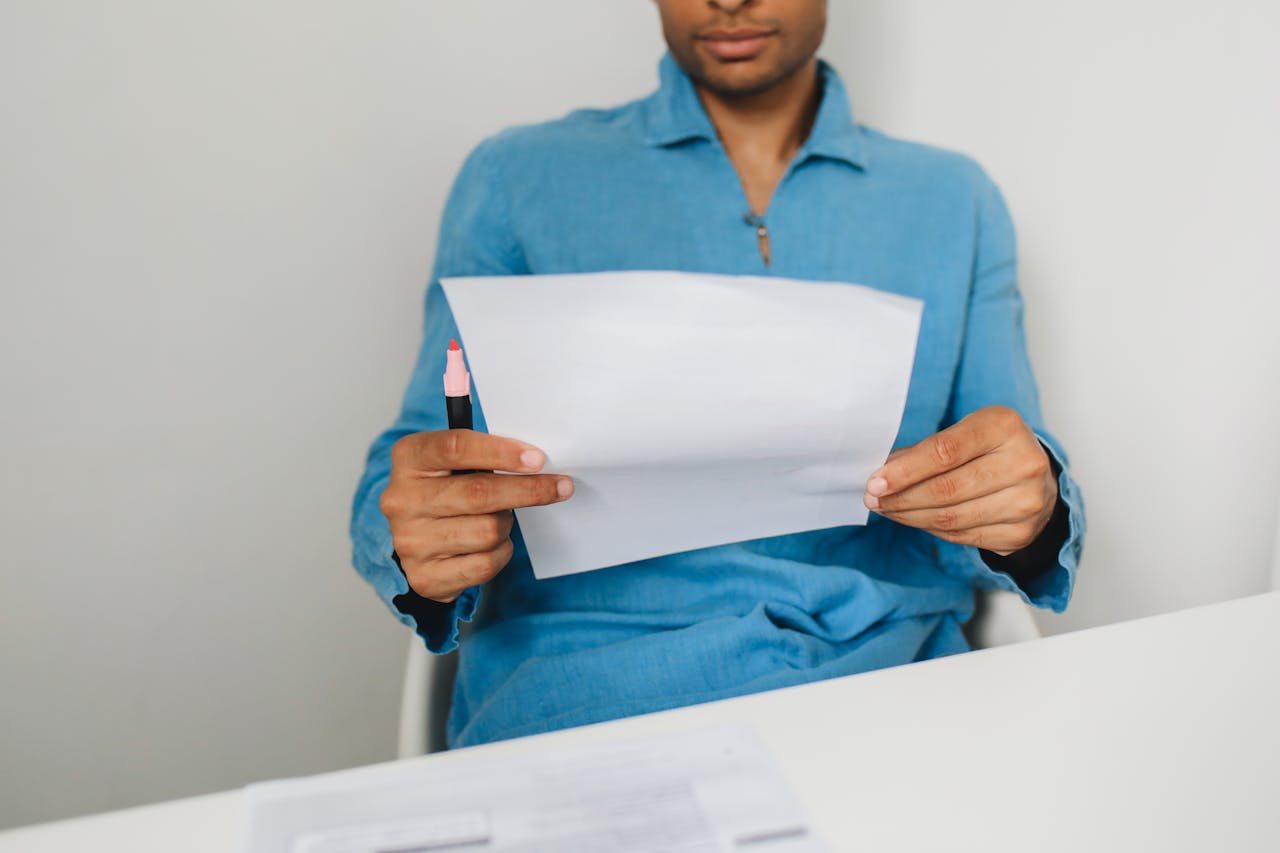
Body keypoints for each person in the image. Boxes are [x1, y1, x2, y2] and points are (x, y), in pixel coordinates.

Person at [351, 0, 1084, 748]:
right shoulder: (514, 178)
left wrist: (1026, 506)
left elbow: (1015, 463)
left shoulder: (953, 200)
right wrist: (418, 531)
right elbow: (412, 466)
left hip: (885, 691)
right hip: (584, 701)